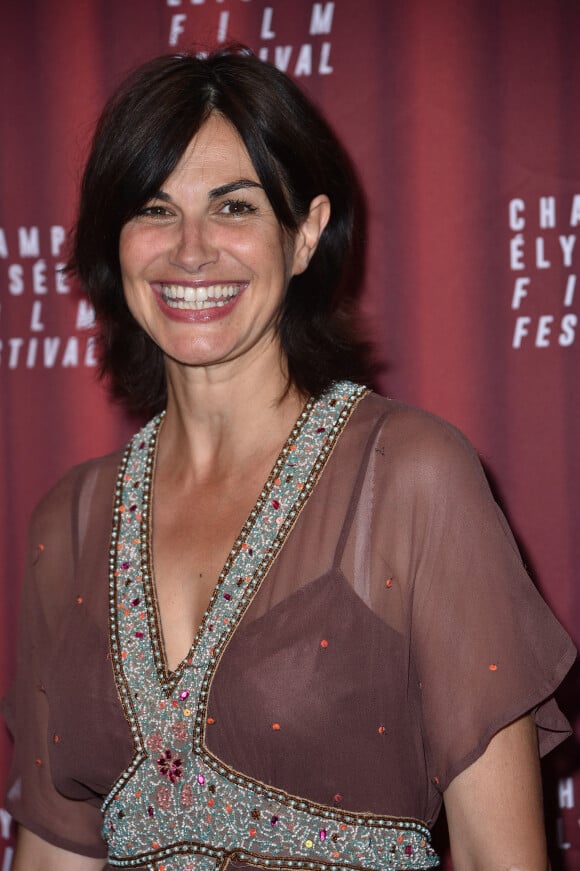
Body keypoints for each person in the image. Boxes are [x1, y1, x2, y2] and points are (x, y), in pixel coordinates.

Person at [2, 47, 576, 871]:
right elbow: (55, 856)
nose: (191, 251)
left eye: (233, 207)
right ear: (113, 242)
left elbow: (500, 855)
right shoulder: (70, 519)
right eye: (154, 210)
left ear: (304, 234)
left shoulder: (411, 478)